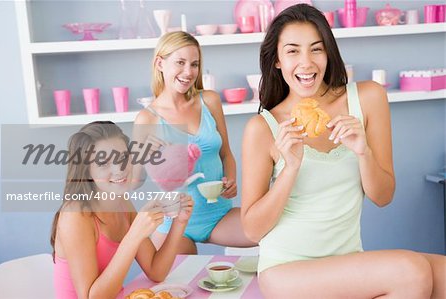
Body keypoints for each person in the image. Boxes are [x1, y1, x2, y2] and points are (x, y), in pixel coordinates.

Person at [241, 4, 445, 298]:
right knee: (410, 271)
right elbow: (252, 230)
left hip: (347, 262)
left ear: (328, 53)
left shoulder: (368, 98)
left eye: (316, 49)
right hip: (286, 270)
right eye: (293, 51)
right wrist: (291, 168)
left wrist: (364, 153)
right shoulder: (262, 128)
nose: (306, 63)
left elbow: (383, 196)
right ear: (276, 60)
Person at [134, 31, 255, 254]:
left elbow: (226, 153)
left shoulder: (209, 101)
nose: (188, 72)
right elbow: (133, 182)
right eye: (180, 62)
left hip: (218, 214)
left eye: (194, 64)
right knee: (178, 284)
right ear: (160, 63)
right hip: (174, 223)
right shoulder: (147, 118)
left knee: (271, 232)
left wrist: (231, 179)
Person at [50, 121, 193, 299]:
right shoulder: (75, 215)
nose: (119, 169)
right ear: (87, 172)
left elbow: (156, 272)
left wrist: (178, 223)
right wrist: (134, 235)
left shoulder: (121, 203)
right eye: (103, 163)